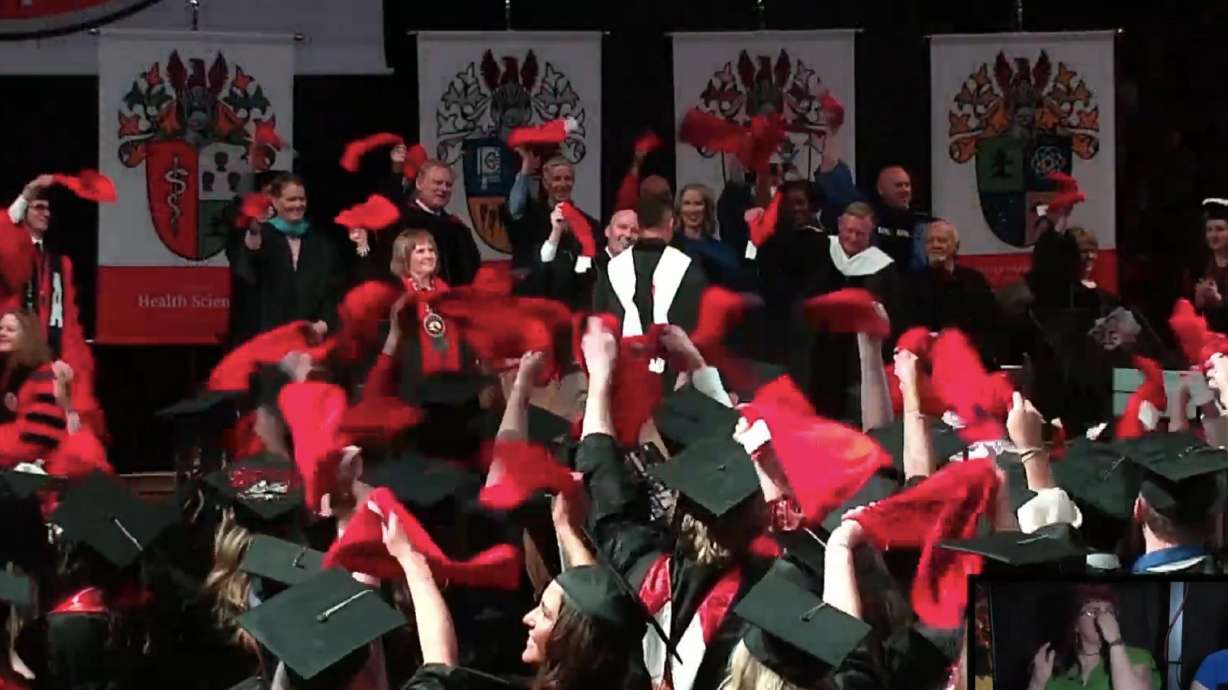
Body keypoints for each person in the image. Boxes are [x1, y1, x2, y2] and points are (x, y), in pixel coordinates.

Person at [3, 175, 100, 435]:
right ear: (24, 211)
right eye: (38, 207)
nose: (46, 214)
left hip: (49, 364)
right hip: (11, 363)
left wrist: (67, 363)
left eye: (48, 209)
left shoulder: (59, 264)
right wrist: (26, 193)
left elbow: (68, 320)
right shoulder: (10, 254)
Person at [792, 202, 900, 421]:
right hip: (814, 350)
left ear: (870, 232)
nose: (852, 238)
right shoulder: (818, 248)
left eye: (859, 234)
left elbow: (890, 314)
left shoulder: (882, 267)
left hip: (854, 358)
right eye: (848, 230)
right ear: (839, 225)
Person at [229, 173, 341, 340]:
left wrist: (324, 323)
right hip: (269, 338)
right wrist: (254, 231)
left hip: (309, 337)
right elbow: (248, 270)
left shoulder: (319, 242)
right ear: (275, 201)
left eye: (301, 199)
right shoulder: (262, 236)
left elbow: (333, 288)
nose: (298, 205)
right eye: (291, 199)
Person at [593, 195, 708, 338]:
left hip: (623, 357)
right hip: (673, 356)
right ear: (671, 223)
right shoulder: (688, 268)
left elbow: (599, 325)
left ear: (638, 226)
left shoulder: (612, 269)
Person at [364, 160, 482, 287]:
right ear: (419, 184)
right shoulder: (400, 223)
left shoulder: (457, 229)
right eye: (437, 183)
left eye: (448, 184)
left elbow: (471, 270)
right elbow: (387, 266)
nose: (443, 189)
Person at [902, 220, 1001, 366]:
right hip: (927, 360)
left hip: (969, 357)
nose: (936, 245)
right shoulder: (911, 282)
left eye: (942, 240)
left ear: (956, 247)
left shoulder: (974, 280)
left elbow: (988, 322)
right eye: (930, 241)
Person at [1026, 585, 1158, 690]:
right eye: (1093, 611)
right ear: (1075, 624)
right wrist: (1037, 683)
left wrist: (1115, 641)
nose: (1103, 617)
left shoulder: (1135, 657)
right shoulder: (1056, 669)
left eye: (1109, 611)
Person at [507, 154, 599, 275]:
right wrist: (525, 169)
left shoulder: (588, 223)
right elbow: (515, 207)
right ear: (546, 183)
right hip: (536, 287)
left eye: (567, 179)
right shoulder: (530, 218)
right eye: (557, 179)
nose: (563, 184)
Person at [0, 310, 72, 464]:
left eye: (10, 330)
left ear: (28, 336)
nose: (3, 333)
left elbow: (39, 437)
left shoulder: (43, 373)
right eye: (1, 328)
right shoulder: (8, 368)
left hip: (30, 454)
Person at [537, 209, 639, 309]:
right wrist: (556, 231)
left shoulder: (643, 267)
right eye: (622, 227)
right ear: (607, 231)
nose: (628, 234)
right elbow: (545, 268)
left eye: (634, 230)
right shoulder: (588, 261)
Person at [673, 184, 743, 290]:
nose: (692, 210)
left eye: (698, 204)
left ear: (707, 209)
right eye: (687, 203)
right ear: (680, 209)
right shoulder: (671, 247)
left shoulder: (724, 252)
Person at [871, 166, 930, 272]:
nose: (905, 190)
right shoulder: (870, 221)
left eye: (907, 185)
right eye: (898, 186)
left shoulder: (922, 223)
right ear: (881, 190)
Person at [1191, 199, 1228, 331]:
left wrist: (1220, 303)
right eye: (1209, 230)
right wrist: (1199, 301)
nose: (1213, 235)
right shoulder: (1201, 264)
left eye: (1220, 229)